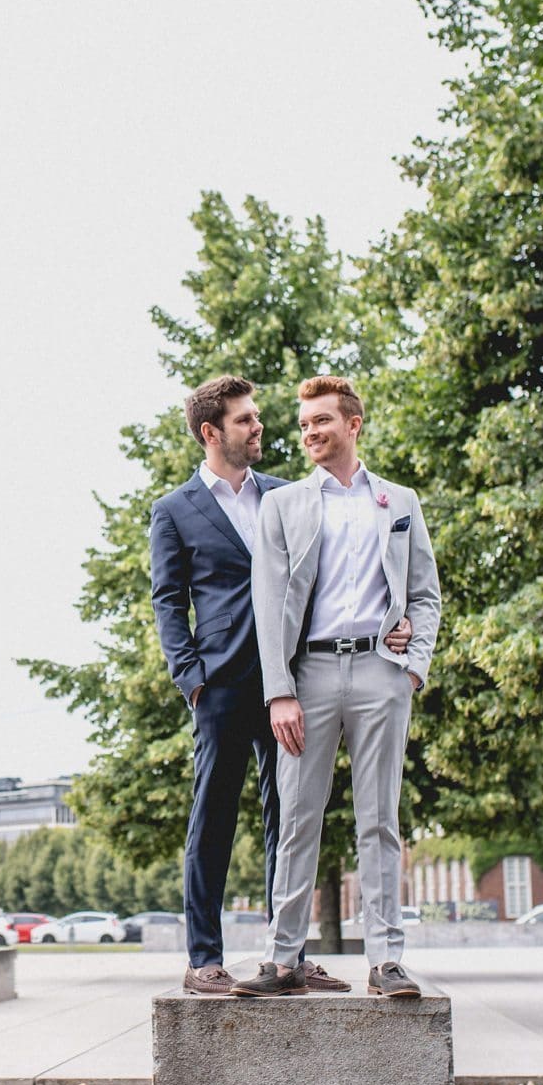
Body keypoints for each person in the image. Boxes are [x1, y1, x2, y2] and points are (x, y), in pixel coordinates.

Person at [150, 377, 404, 997]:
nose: (259, 428)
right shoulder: (175, 509)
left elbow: (334, 575)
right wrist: (192, 679)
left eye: (259, 417)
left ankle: (284, 953)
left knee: (289, 816)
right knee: (212, 817)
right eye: (245, 421)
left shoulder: (287, 495)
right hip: (222, 684)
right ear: (212, 433)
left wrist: (394, 624)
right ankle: (204, 957)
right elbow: (167, 601)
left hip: (293, 678)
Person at [234, 375, 441, 1000]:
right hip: (309, 678)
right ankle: (283, 958)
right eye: (303, 425)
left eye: (321, 420)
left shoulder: (400, 501)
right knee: (297, 818)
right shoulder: (284, 505)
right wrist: (278, 692)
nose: (309, 433)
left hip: (382, 674)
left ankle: (386, 962)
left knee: (380, 819)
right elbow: (267, 606)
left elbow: (426, 594)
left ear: (353, 424)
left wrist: (414, 664)